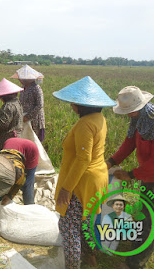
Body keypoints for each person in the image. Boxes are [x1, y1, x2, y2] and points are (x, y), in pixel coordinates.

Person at [53, 76, 116, 268]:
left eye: (75, 102)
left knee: (68, 226)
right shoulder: (100, 118)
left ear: (83, 105)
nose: (72, 105)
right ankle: (90, 258)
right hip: (98, 177)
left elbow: (83, 159)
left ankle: (73, 265)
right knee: (85, 222)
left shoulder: (84, 124)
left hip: (82, 182)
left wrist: (66, 188)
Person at [106, 86, 154, 269]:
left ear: (139, 106)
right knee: (144, 215)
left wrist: (131, 175)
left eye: (129, 112)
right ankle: (143, 247)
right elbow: (129, 142)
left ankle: (135, 263)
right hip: (150, 174)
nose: (127, 115)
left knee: (149, 219)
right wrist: (111, 161)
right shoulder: (138, 118)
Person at [11, 65, 46, 142]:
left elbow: (40, 105)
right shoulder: (23, 87)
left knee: (34, 140)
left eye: (22, 78)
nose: (20, 80)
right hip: (24, 117)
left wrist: (28, 116)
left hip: (35, 119)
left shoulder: (36, 88)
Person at [3, 138, 39, 205]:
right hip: (11, 143)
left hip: (31, 150)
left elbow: (20, 181)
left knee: (27, 182)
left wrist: (10, 196)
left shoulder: (17, 168)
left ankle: (29, 205)